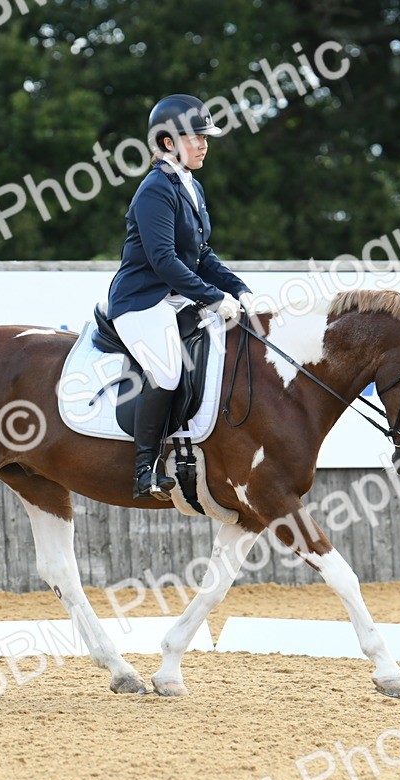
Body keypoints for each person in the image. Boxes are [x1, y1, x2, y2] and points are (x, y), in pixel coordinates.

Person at [105, 94, 256, 501]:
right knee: (169, 370)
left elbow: (202, 253)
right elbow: (164, 260)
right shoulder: (155, 189)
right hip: (140, 301)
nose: (204, 144)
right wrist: (211, 297)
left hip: (172, 299)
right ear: (169, 143)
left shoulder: (190, 184)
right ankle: (144, 470)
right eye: (195, 138)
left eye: (206, 137)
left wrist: (238, 288)